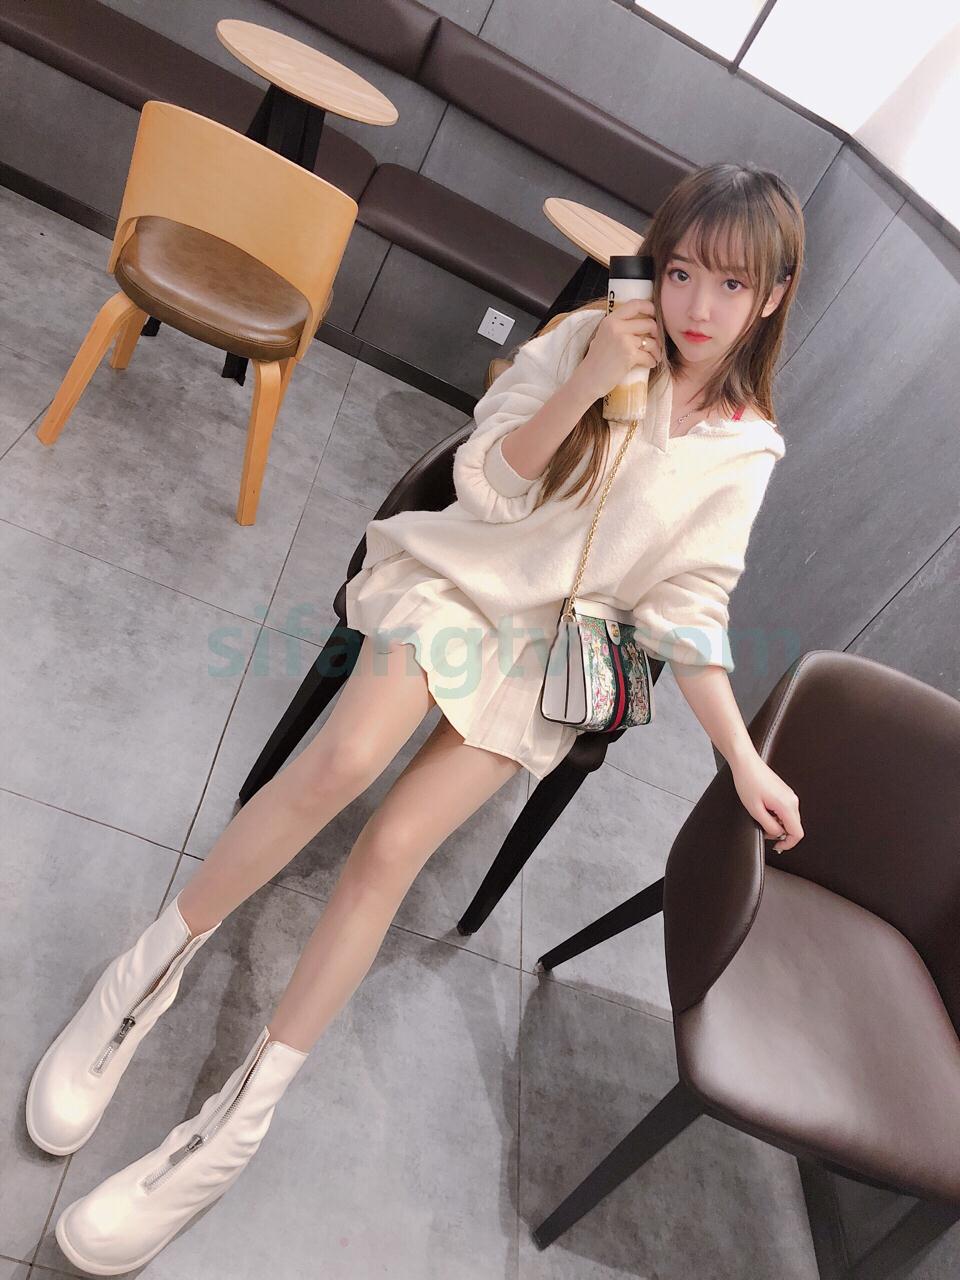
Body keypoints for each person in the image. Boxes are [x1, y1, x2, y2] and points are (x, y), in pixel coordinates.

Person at [29, 161, 805, 1273]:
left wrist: (741, 759)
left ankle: (232, 1125)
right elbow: (484, 483)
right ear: (654, 264)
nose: (696, 305)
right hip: (460, 581)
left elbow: (690, 604)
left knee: (395, 848)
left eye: (730, 286)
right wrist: (591, 378)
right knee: (343, 758)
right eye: (681, 271)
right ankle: (139, 981)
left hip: (542, 653)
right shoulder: (587, 338)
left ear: (770, 298)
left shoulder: (745, 450)